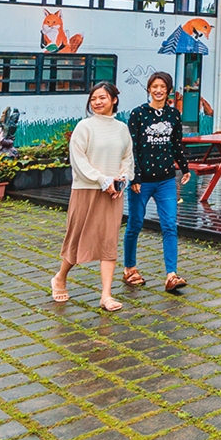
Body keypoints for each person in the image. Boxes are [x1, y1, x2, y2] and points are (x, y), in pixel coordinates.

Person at [52, 81, 133, 311]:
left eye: (102, 98)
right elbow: (78, 160)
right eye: (94, 98)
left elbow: (127, 158)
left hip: (113, 194)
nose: (97, 102)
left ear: (114, 100)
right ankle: (60, 277)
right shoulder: (84, 127)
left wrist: (122, 178)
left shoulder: (121, 129)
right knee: (77, 239)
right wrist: (102, 179)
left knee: (109, 241)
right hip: (86, 190)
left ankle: (106, 295)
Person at [123, 71, 192, 293]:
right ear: (149, 89)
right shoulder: (138, 114)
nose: (158, 90)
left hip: (166, 180)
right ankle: (129, 269)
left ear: (168, 90)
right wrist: (135, 176)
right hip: (141, 182)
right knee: (135, 224)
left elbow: (176, 143)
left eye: (162, 86)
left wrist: (184, 167)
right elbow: (132, 147)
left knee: (170, 224)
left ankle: (171, 275)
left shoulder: (173, 114)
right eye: (154, 86)